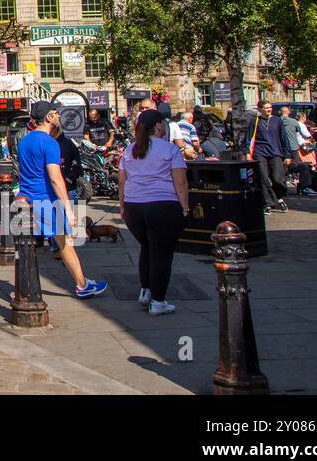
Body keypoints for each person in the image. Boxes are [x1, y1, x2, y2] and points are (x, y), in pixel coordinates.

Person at [16, 101, 107, 299]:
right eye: (56, 113)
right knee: (65, 243)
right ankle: (82, 285)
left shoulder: (24, 140)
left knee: (27, 247)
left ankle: (23, 288)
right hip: (46, 199)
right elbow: (56, 178)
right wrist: (68, 208)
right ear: (48, 117)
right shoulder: (49, 143)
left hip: (26, 198)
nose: (58, 117)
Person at [118, 109, 190, 316]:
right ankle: (158, 301)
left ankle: (146, 291)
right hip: (163, 205)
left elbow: (122, 180)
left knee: (146, 247)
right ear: (158, 126)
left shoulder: (129, 150)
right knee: (162, 253)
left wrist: (123, 206)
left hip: (134, 207)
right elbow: (180, 181)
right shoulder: (170, 150)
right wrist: (184, 206)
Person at [248, 101, 292, 214]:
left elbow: (284, 138)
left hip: (275, 152)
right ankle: (268, 203)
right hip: (260, 152)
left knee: (277, 178)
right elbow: (249, 138)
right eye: (266, 108)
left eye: (270, 107)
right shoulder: (255, 121)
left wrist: (287, 154)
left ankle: (279, 197)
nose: (269, 109)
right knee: (263, 178)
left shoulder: (277, 121)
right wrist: (247, 152)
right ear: (260, 109)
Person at [293, 112, 317, 197]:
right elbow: (307, 135)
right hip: (305, 148)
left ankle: (306, 187)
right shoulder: (301, 125)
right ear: (303, 117)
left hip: (301, 147)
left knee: (307, 167)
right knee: (310, 166)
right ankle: (308, 187)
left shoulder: (296, 124)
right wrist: (312, 133)